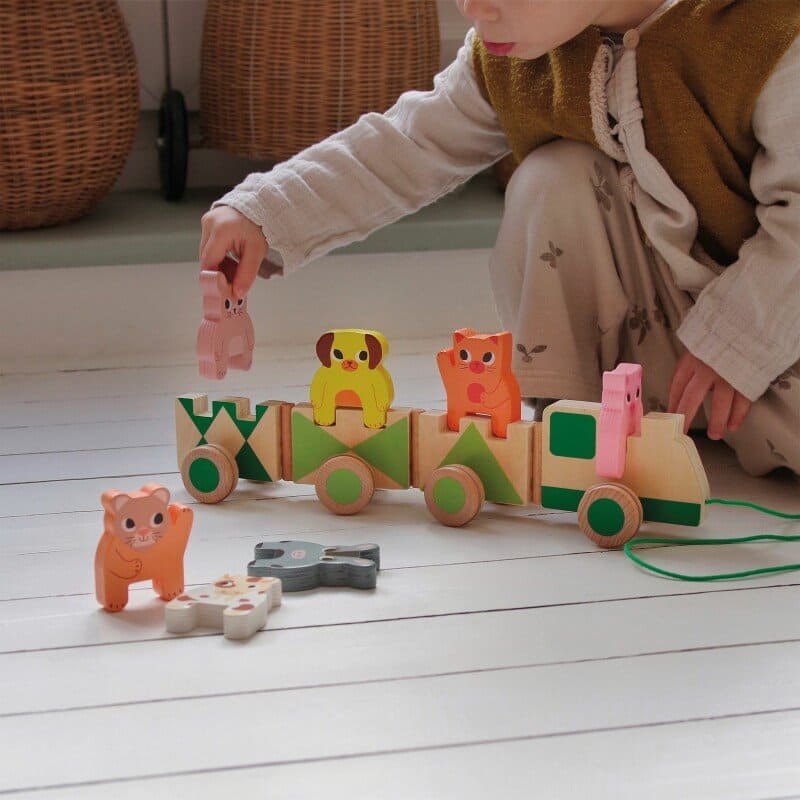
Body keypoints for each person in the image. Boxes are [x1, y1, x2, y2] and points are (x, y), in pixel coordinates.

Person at [199, 0, 800, 477]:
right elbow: (406, 144)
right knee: (551, 179)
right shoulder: (516, 56)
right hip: (662, 343)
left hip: (781, 328)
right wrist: (264, 211)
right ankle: (573, 424)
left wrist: (736, 341)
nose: (473, 8)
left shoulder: (763, 32)